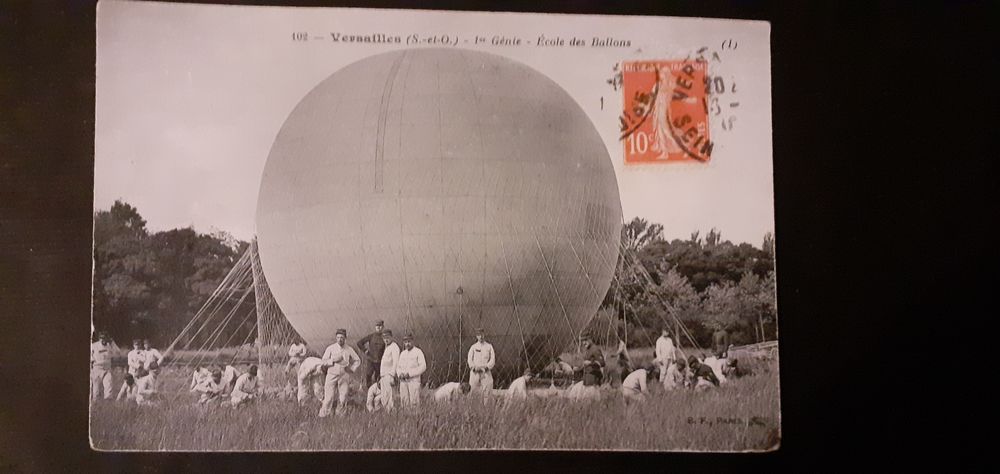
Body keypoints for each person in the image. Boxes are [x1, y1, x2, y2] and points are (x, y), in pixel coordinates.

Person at [318, 328, 360, 417]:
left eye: (342, 337)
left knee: (343, 396)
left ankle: (340, 416)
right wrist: (332, 360)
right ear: (336, 338)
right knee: (329, 397)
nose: (340, 339)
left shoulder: (349, 349)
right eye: (338, 337)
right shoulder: (331, 348)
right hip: (331, 374)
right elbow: (323, 361)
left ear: (345, 338)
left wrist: (352, 369)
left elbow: (357, 360)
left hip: (344, 375)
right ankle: (324, 415)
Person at [396, 333, 426, 408]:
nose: (407, 344)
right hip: (403, 381)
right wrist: (400, 374)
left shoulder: (418, 352)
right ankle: (405, 418)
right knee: (404, 401)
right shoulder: (403, 354)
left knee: (414, 401)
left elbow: (423, 366)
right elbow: (398, 367)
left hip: (413, 380)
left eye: (409, 342)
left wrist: (410, 374)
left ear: (413, 341)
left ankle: (415, 417)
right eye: (405, 342)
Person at [358, 320, 386, 388]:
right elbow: (359, 343)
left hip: (380, 361)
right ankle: (369, 389)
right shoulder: (371, 336)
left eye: (380, 326)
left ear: (383, 327)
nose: (379, 328)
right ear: (375, 327)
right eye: (377, 326)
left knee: (378, 376)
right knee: (368, 374)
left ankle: (378, 390)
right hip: (371, 360)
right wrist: (365, 350)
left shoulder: (385, 337)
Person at [467, 328, 496, 393]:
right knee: (473, 391)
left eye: (482, 334)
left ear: (484, 335)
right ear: (476, 336)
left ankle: (487, 403)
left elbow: (492, 359)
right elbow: (469, 359)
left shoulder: (489, 346)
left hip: (485, 372)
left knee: (487, 391)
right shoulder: (473, 347)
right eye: (479, 335)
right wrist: (473, 367)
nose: (481, 337)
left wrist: (487, 367)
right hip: (475, 372)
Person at [378, 330, 400, 412]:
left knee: (389, 397)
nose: (386, 340)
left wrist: (392, 375)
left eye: (387, 338)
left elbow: (396, 362)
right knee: (384, 396)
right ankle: (386, 413)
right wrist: (381, 377)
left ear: (391, 337)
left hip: (389, 375)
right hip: (384, 376)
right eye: (384, 338)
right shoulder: (387, 347)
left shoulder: (394, 347)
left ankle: (391, 414)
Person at [90, 331, 115, 400]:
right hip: (97, 368)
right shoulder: (94, 345)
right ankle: (96, 402)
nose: (103, 340)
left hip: (107, 368)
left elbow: (117, 353)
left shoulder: (109, 346)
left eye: (105, 338)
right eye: (101, 338)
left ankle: (108, 401)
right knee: (96, 388)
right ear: (99, 338)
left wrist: (113, 343)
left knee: (109, 384)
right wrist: (92, 362)